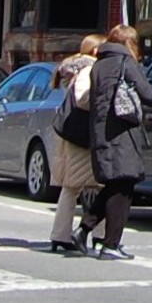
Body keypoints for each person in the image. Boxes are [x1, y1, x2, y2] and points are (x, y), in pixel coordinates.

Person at [86, 24, 152, 260]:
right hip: (122, 132)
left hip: (101, 130)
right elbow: (146, 92)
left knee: (114, 184)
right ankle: (111, 244)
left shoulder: (99, 65)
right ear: (129, 43)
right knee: (123, 186)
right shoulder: (126, 63)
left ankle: (83, 230)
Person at [47, 32, 105, 255]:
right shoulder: (89, 69)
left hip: (74, 135)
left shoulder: (79, 68)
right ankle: (99, 235)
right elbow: (83, 98)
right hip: (83, 137)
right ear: (96, 51)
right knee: (98, 185)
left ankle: (61, 235)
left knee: (72, 187)